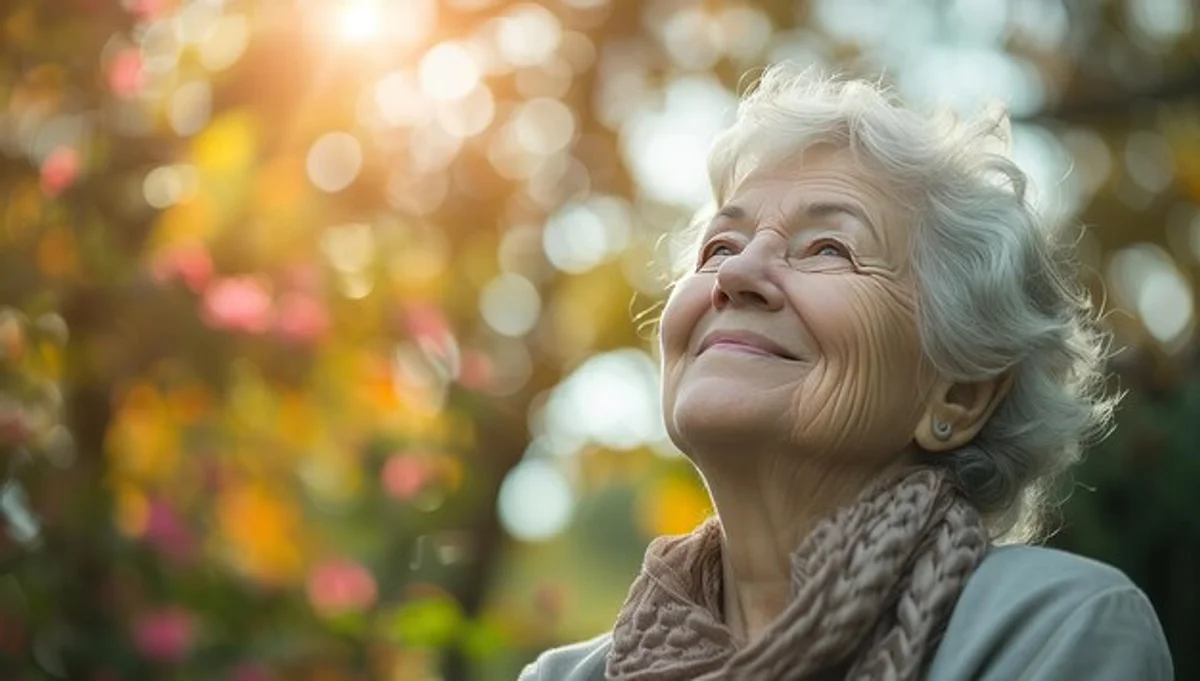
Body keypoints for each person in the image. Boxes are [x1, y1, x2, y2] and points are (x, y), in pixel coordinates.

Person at [518, 65, 1174, 681]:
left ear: (959, 394)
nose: (737, 276)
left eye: (829, 247)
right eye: (721, 246)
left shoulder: (1050, 630)